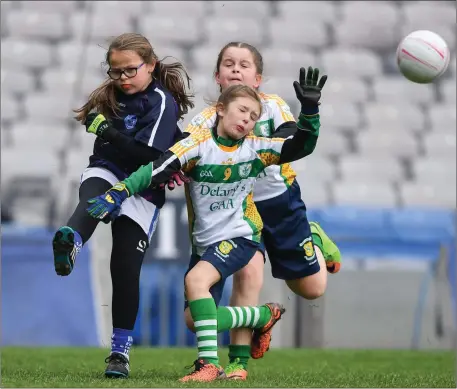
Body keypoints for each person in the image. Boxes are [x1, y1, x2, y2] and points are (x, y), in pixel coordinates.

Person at [85, 83, 322, 382]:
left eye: (253, 116)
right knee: (195, 319)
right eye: (242, 111)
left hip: (241, 235)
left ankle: (208, 365)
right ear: (220, 110)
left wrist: (310, 111)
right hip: (204, 243)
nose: (247, 119)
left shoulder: (257, 148)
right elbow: (155, 170)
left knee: (195, 280)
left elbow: (300, 146)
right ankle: (261, 316)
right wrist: (119, 192)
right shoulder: (196, 145)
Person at [183, 42, 341, 380]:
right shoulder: (203, 121)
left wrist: (300, 116)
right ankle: (239, 361)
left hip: (279, 203)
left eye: (243, 64)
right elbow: (184, 153)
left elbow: (289, 135)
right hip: (234, 209)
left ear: (258, 78)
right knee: (235, 285)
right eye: (228, 63)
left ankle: (311, 234)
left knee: (312, 289)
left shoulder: (271, 106)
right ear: (217, 76)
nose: (235, 69)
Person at [51, 33, 193, 378]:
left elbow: (152, 158)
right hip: (107, 168)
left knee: (125, 266)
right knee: (92, 199)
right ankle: (72, 241)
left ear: (151, 65)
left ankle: (119, 353)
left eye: (131, 71)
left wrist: (108, 133)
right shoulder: (111, 94)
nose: (123, 79)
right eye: (116, 72)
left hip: (143, 184)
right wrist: (105, 134)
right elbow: (114, 146)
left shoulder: (160, 101)